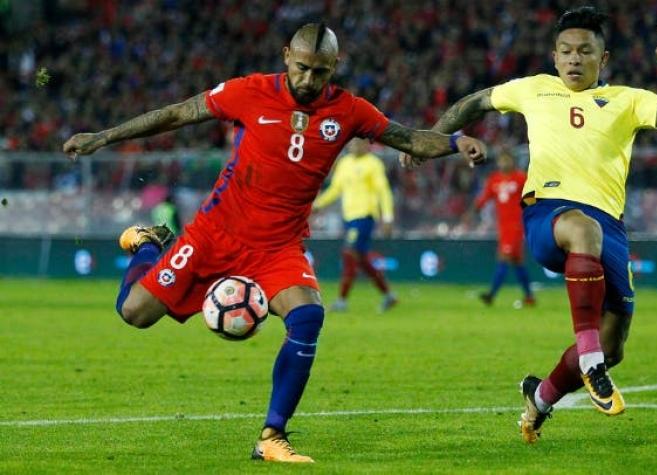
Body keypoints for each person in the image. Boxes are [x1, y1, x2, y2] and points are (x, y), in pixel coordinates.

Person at [63, 23, 486, 463]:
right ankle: (151, 245)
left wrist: (457, 141)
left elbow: (409, 137)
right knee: (133, 313)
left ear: (334, 68)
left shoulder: (350, 111)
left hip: (279, 245)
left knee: (307, 315)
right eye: (302, 67)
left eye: (320, 72)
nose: (308, 79)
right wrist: (104, 136)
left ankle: (272, 435)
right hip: (215, 232)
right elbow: (179, 112)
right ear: (286, 55)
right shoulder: (249, 91)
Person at [401, 7, 657, 443]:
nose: (574, 59)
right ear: (554, 57)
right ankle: (590, 364)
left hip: (608, 229)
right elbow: (475, 102)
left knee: (615, 344)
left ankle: (538, 400)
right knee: (581, 233)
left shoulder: (626, 99)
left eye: (584, 51)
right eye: (565, 51)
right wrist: (430, 141)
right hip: (549, 212)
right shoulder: (534, 90)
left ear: (604, 58)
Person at [312, 138, 398, 313]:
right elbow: (336, 189)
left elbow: (383, 191)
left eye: (359, 143)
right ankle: (388, 296)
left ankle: (342, 300)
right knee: (362, 260)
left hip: (365, 216)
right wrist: (317, 205)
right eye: (352, 143)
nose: (354, 146)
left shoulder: (373, 164)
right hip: (349, 218)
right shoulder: (344, 163)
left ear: (367, 145)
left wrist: (388, 217)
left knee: (349, 252)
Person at [467, 150, 535, 307]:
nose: (504, 163)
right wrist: (472, 212)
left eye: (507, 160)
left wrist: (529, 211)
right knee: (517, 262)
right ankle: (529, 296)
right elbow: (484, 198)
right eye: (501, 160)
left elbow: (531, 197)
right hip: (503, 226)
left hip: (516, 226)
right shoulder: (494, 179)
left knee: (503, 258)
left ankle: (491, 295)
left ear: (512, 161)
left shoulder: (520, 178)